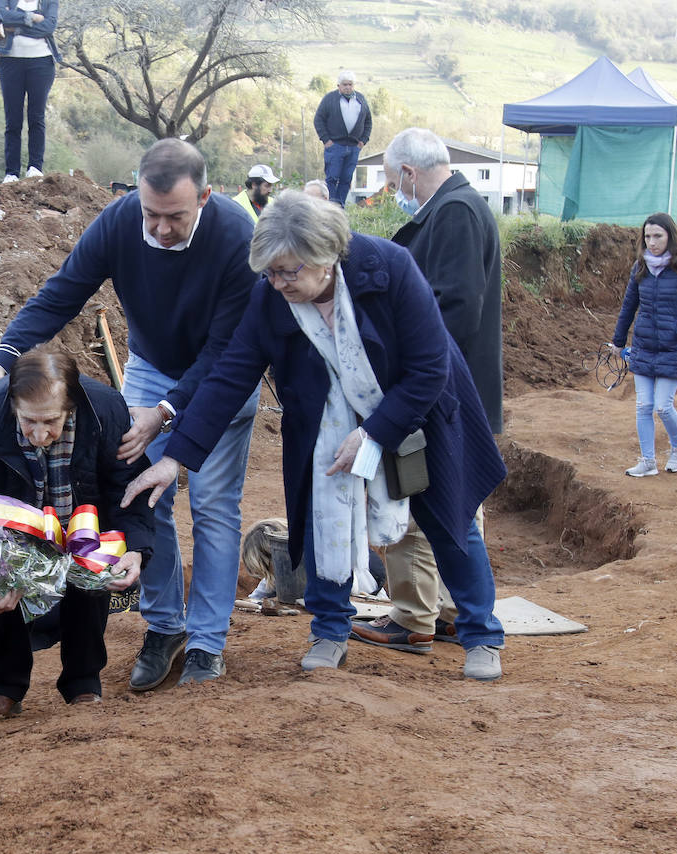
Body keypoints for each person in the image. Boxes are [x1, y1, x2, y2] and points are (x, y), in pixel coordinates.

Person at [122, 191, 508, 681]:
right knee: (321, 518)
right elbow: (229, 375)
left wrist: (373, 432)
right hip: (323, 426)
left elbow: (430, 368)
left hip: (416, 413)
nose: (278, 283)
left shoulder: (390, 269)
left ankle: (481, 635)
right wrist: (176, 458)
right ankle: (330, 629)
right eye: (270, 272)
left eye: (289, 272)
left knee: (448, 521)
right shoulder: (271, 297)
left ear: (326, 257)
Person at [0, 138, 258, 689]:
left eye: (174, 217)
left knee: (214, 506)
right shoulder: (122, 220)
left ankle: (205, 643)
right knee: (142, 494)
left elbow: (226, 351)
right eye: (151, 214)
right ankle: (164, 626)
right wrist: (4, 357)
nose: (159, 230)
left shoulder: (237, 238)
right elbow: (62, 294)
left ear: (205, 196)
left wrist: (167, 412)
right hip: (151, 367)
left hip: (223, 379)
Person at [352, 126, 503, 655]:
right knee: (452, 501)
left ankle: (417, 615)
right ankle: (444, 611)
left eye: (394, 180)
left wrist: (417, 376)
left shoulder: (454, 213)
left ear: (410, 174)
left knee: (423, 500)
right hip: (450, 388)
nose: (396, 189)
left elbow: (455, 308)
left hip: (441, 392)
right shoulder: (454, 209)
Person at [0, 347, 153, 719]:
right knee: (5, 581)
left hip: (84, 517)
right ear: (13, 403)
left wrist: (137, 547)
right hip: (15, 525)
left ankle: (83, 684)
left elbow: (128, 483)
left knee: (90, 586)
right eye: (28, 421)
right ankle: (4, 686)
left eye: (51, 421)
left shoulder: (106, 410)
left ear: (71, 406)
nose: (39, 434)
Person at [613, 213, 677, 478]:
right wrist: (618, 341)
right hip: (643, 347)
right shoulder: (640, 267)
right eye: (647, 237)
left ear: (670, 236)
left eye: (658, 236)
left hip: (672, 348)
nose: (652, 242)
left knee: (663, 406)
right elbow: (628, 306)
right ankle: (648, 461)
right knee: (643, 406)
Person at [0, 0, 57, 184]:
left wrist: (17, 27)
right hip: (10, 61)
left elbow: (49, 27)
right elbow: (0, 16)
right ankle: (11, 172)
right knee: (12, 118)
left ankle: (35, 167)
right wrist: (31, 18)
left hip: (42, 62)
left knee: (36, 116)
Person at [312, 70, 372, 206]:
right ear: (338, 85)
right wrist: (326, 140)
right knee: (332, 178)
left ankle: (340, 206)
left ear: (354, 85)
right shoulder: (329, 99)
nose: (347, 87)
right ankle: (330, 206)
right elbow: (318, 119)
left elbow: (368, 121)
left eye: (350, 84)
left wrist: (363, 141)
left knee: (346, 178)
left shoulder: (361, 100)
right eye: (344, 84)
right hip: (335, 146)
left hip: (354, 147)